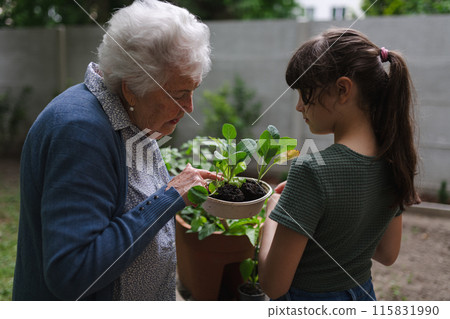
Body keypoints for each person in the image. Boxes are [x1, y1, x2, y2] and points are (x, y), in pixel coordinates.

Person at [13, 0, 217, 301]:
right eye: (179, 94)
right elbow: (73, 273)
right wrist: (170, 197)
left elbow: (120, 201)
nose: (189, 108)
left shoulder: (128, 115)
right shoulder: (79, 132)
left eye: (192, 91)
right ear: (131, 88)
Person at [258, 28, 420, 301]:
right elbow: (387, 254)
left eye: (305, 93)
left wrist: (271, 218)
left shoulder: (311, 170)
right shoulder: (395, 160)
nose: (299, 106)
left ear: (343, 89)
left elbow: (273, 285)